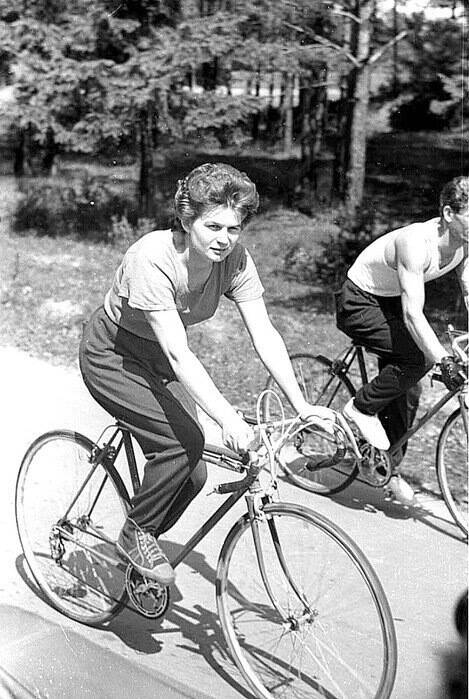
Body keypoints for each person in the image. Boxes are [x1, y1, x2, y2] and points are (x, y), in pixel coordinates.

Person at [79, 162, 332, 585]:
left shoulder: (234, 260)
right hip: (113, 354)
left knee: (193, 471)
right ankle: (135, 534)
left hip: (159, 357)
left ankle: (142, 544)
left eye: (234, 229)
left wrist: (302, 405)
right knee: (181, 446)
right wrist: (228, 419)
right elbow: (180, 354)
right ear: (186, 220)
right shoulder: (151, 257)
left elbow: (264, 332)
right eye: (213, 226)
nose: (224, 239)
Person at [335, 176, 468, 502]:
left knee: (409, 388)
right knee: (418, 360)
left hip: (390, 301)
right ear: (449, 213)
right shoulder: (415, 243)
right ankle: (359, 409)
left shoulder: (464, 242)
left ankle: (384, 467)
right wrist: (443, 360)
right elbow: (412, 315)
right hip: (358, 302)